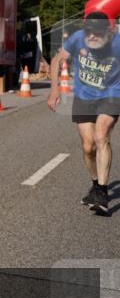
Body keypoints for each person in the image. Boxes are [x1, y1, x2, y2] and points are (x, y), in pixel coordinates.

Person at [47, 11, 120, 215]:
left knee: (101, 136)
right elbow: (56, 61)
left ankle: (103, 193)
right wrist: (55, 89)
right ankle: (96, 184)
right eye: (89, 33)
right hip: (84, 96)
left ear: (109, 31)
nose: (92, 37)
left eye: (97, 33)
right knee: (88, 146)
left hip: (112, 94)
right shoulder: (78, 38)